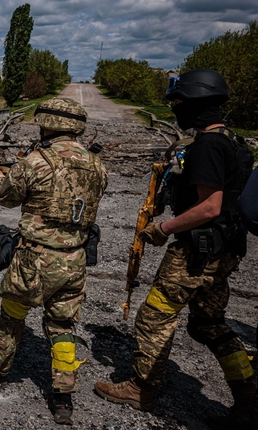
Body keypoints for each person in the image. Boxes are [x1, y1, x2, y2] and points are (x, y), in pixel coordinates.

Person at [94, 69, 256, 429]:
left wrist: (163, 228)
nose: (176, 110)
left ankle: (140, 387)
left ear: (197, 104)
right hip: (225, 249)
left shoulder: (208, 146)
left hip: (196, 254)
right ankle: (248, 393)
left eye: (180, 103)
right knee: (208, 324)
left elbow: (210, 206)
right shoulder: (234, 142)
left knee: (154, 316)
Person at [0, 98, 108, 425]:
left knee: (13, 315)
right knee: (62, 326)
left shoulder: (35, 161)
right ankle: (63, 398)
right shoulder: (96, 164)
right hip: (75, 259)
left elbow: (5, 197)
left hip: (35, 259)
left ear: (47, 123)